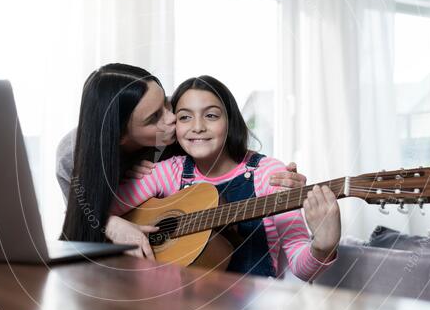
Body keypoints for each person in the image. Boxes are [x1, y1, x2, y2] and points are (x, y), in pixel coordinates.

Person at [58, 63, 307, 257]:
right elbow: (82, 219)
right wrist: (111, 224)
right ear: (122, 136)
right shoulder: (71, 156)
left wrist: (273, 176)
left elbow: (218, 137)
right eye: (154, 117)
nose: (173, 119)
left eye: (167, 104)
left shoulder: (183, 136)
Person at [110, 75, 341, 281]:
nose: (198, 127)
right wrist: (111, 223)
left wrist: (322, 247)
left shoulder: (269, 174)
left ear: (229, 122)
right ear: (174, 125)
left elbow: (301, 267)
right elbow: (96, 213)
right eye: (185, 117)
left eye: (211, 115)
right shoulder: (167, 172)